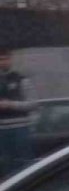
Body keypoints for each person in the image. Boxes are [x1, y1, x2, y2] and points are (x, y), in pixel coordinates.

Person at [0, 50, 34, 178]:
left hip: (20, 128)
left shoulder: (21, 80)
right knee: (6, 164)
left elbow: (33, 104)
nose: (2, 62)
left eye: (5, 59)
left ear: (11, 60)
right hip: (1, 130)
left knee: (25, 163)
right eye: (0, 59)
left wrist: (10, 104)